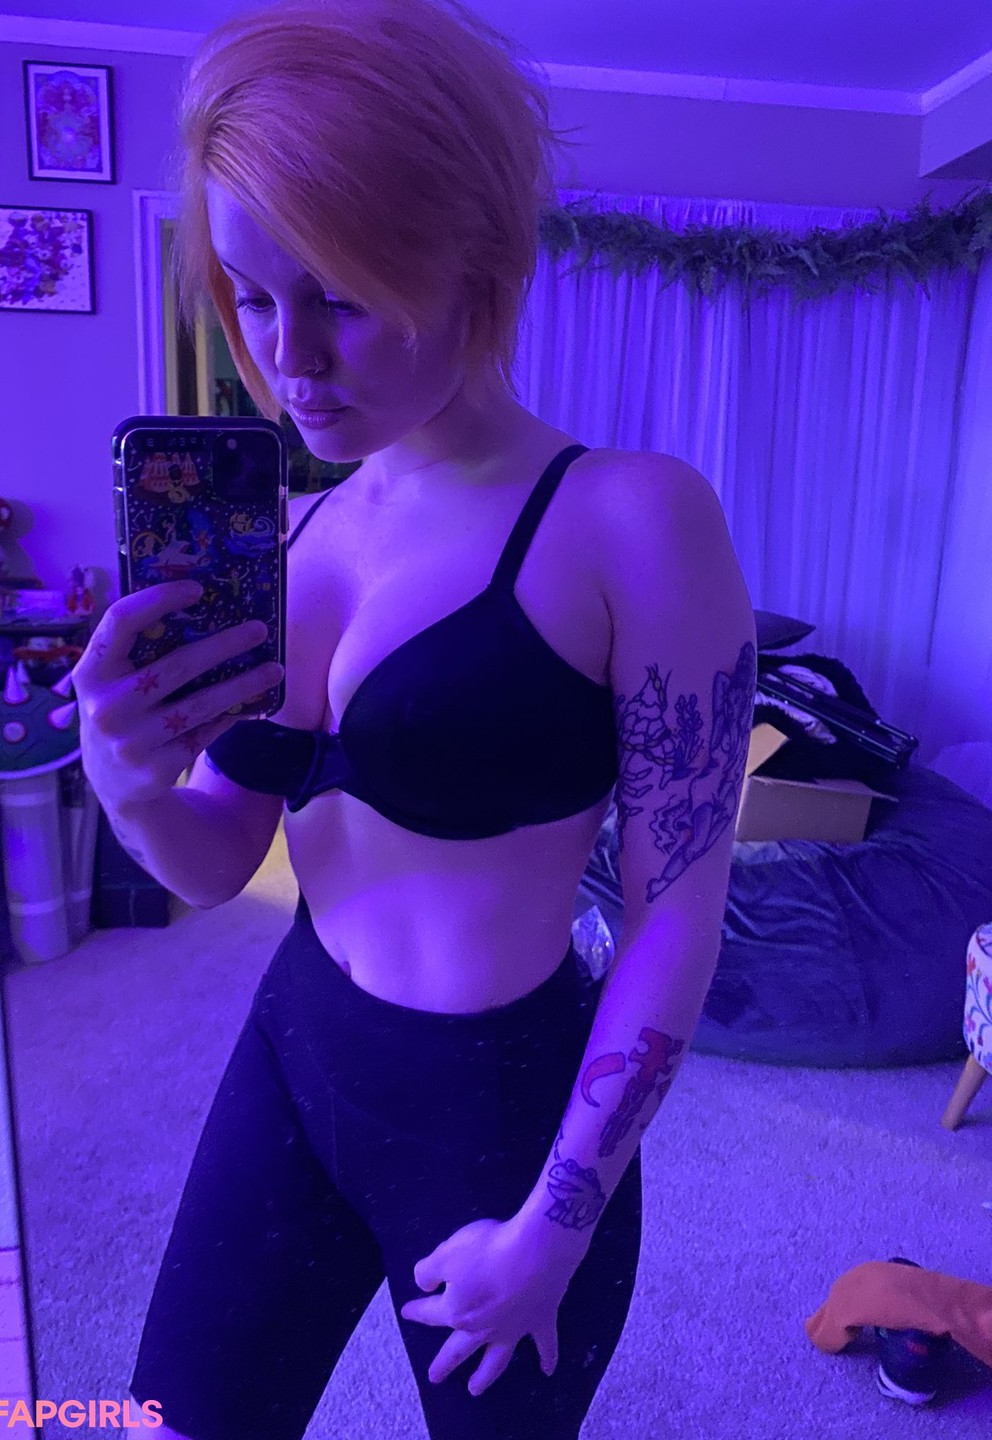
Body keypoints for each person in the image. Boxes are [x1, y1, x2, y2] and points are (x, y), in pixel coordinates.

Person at [72, 2, 757, 1437]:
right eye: (252, 298)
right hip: (296, 1047)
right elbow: (219, 860)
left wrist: (557, 1225)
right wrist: (128, 785)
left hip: (504, 1126)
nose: (289, 358)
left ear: (474, 259)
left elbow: (677, 916)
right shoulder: (292, 534)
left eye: (337, 296)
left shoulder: (633, 521)